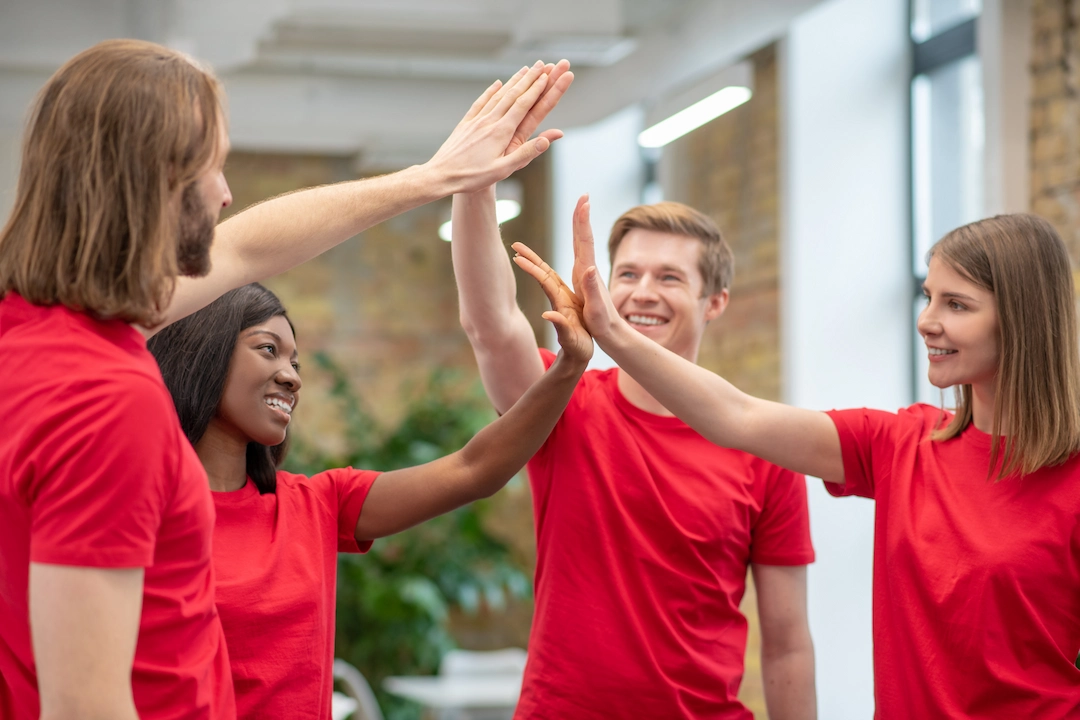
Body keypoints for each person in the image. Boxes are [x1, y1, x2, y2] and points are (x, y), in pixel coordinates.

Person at [0, 38, 572, 720]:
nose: (225, 192)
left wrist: (435, 177)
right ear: (156, 179)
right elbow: (84, 707)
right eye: (212, 167)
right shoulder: (106, 398)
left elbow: (249, 247)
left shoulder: (27, 341)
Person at [513, 210, 1080, 718]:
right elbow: (735, 417)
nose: (927, 321)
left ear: (1022, 321)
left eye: (956, 305)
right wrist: (607, 329)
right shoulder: (898, 443)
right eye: (927, 297)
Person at [147, 281, 590, 720]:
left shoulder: (316, 504)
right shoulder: (140, 513)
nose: (292, 376)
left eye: (296, 362)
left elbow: (474, 469)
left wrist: (569, 366)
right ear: (205, 353)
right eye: (268, 349)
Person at [451, 190, 816, 719]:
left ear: (715, 302)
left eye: (669, 277)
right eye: (627, 275)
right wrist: (475, 185)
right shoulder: (562, 403)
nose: (643, 293)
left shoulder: (765, 448)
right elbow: (490, 327)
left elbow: (787, 643)